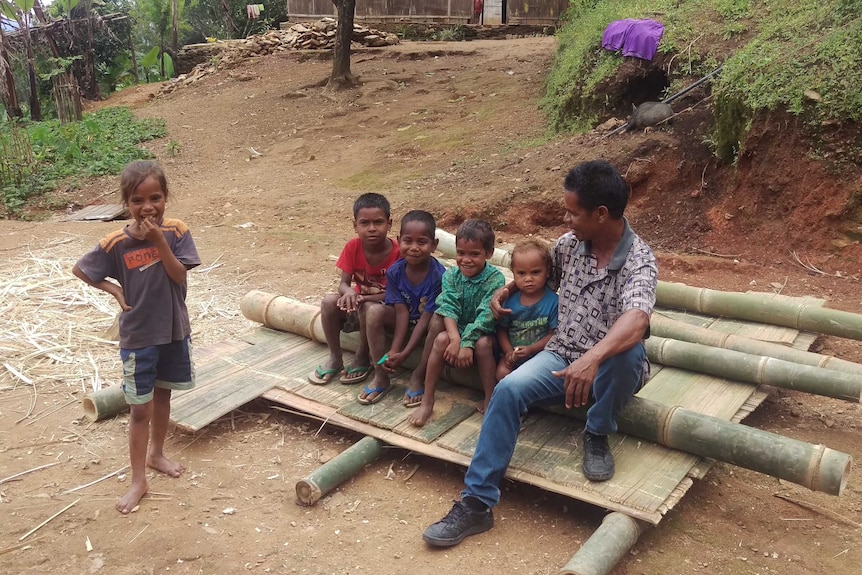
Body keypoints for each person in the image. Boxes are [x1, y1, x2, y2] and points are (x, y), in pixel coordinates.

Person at [422, 159, 657, 547]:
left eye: (573, 212)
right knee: (509, 390)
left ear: (601, 214)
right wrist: (505, 291)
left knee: (628, 354)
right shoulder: (569, 247)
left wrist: (592, 358)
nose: (567, 219)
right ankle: (477, 502)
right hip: (560, 354)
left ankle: (597, 432)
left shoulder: (639, 261)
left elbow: (636, 321)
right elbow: (534, 276)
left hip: (608, 366)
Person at [72, 160, 201, 514]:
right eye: (137, 200)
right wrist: (114, 290)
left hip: (174, 331)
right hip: (138, 337)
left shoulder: (176, 232)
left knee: (163, 398)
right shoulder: (115, 242)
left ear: (166, 197)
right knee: (139, 409)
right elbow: (81, 269)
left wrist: (160, 241)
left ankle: (157, 454)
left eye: (155, 198)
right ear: (126, 203)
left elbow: (178, 275)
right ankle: (137, 480)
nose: (148, 208)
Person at [405, 219, 505, 427]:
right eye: (461, 253)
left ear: (489, 253)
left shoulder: (496, 279)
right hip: (457, 332)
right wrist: (455, 338)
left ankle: (490, 398)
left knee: (483, 344)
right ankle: (428, 400)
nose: (466, 260)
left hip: (483, 334)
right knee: (441, 339)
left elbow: (486, 316)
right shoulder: (451, 275)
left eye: (474, 254)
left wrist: (466, 343)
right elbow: (448, 307)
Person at [307, 193, 400, 386]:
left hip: (388, 311)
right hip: (360, 304)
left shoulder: (398, 252)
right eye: (364, 223)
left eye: (378, 222)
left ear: (389, 224)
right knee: (328, 302)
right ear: (355, 225)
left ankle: (363, 355)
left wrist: (363, 299)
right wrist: (349, 293)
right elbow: (343, 283)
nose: (372, 229)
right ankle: (335, 356)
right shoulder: (353, 247)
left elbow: (396, 294)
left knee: (370, 309)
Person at [357, 210, 446, 404]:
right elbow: (401, 312)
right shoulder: (395, 272)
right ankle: (381, 374)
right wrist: (395, 350)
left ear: (434, 245)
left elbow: (426, 319)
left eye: (422, 242)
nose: (414, 248)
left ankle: (419, 374)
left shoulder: (439, 276)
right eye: (408, 241)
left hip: (426, 325)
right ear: (399, 240)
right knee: (373, 310)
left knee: (439, 321)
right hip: (402, 321)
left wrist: (404, 354)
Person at [495, 238, 558, 382]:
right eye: (522, 273)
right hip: (513, 357)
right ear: (513, 273)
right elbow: (502, 330)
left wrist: (531, 350)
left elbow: (552, 334)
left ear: (547, 272)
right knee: (502, 373)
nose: (528, 279)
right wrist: (508, 352)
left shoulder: (553, 302)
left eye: (535, 272)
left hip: (539, 358)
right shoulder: (509, 301)